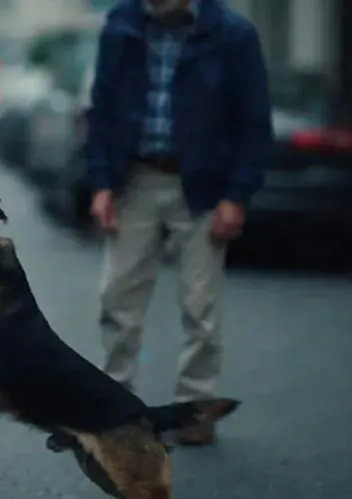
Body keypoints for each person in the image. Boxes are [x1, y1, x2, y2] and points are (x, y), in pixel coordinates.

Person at [85, 0, 273, 446]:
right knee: (117, 299)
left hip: (204, 187)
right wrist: (101, 183)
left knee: (200, 308)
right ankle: (117, 406)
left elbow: (254, 122)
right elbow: (103, 107)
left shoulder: (233, 34)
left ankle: (195, 410)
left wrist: (236, 195)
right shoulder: (123, 23)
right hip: (136, 178)